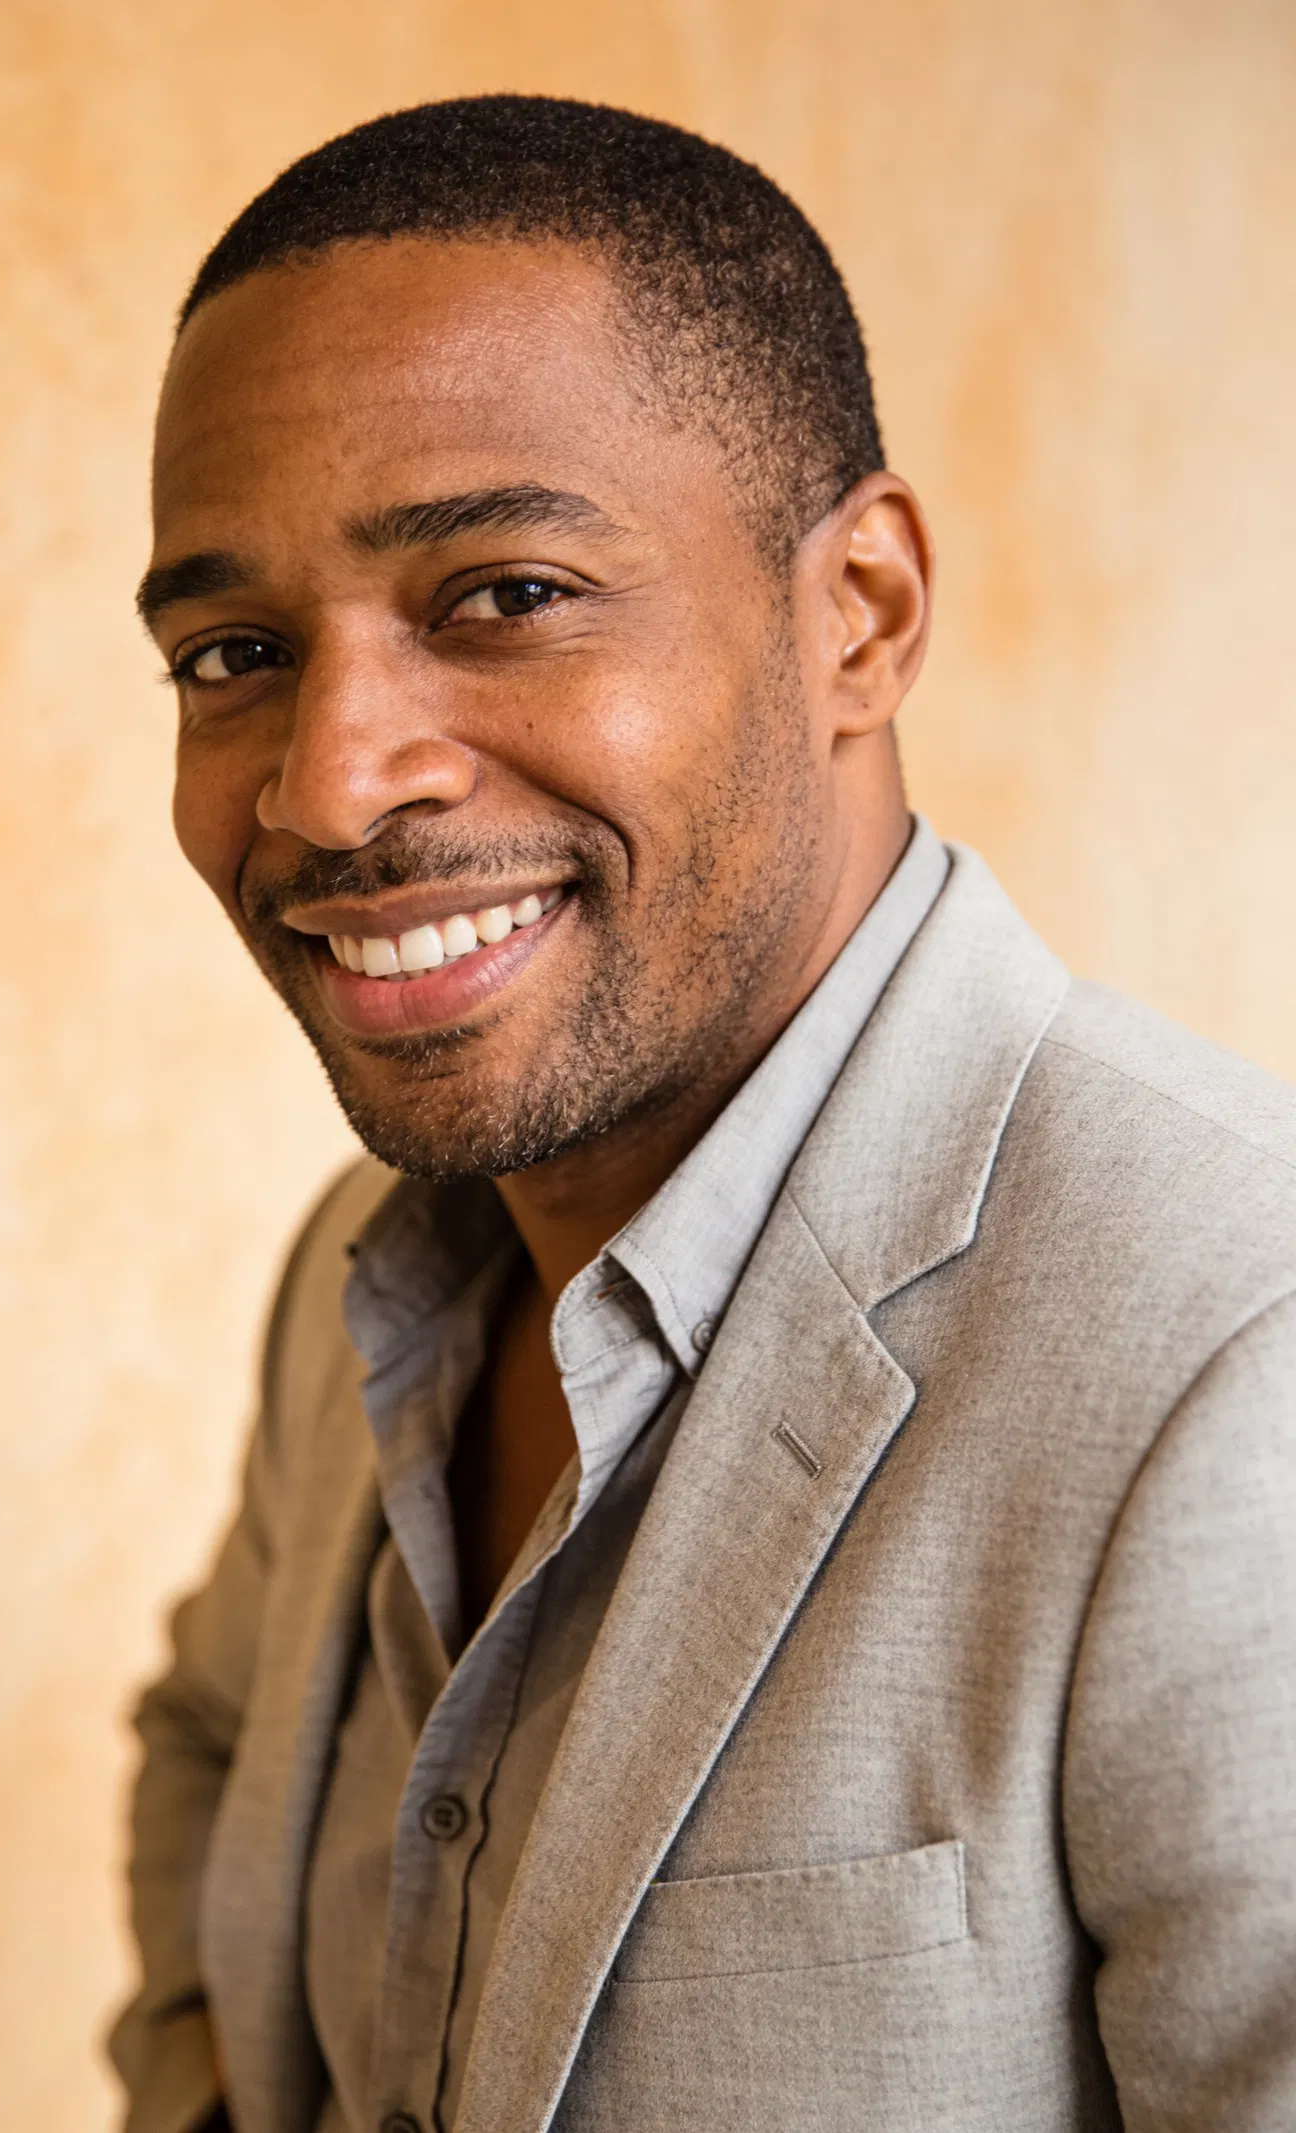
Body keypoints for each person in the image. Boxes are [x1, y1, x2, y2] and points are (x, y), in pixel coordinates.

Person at [111, 96, 1296, 2133]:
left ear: (856, 612)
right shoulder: (364, 1273)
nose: (326, 783)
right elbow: (214, 1745)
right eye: (234, 653)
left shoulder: (1229, 1348)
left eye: (502, 595)